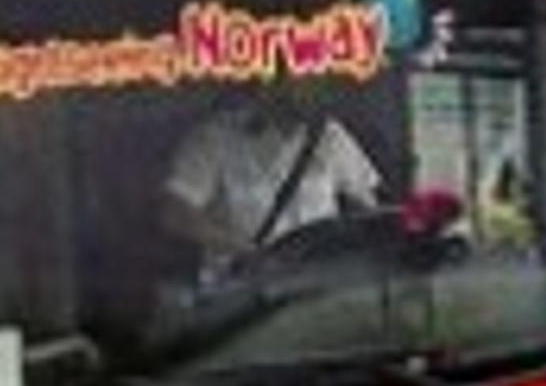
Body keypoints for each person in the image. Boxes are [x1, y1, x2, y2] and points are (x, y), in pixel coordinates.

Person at [159, 102, 387, 269]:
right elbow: (175, 212)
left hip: (318, 285)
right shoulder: (214, 138)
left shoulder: (331, 135)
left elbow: (368, 206)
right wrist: (244, 251)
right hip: (241, 290)